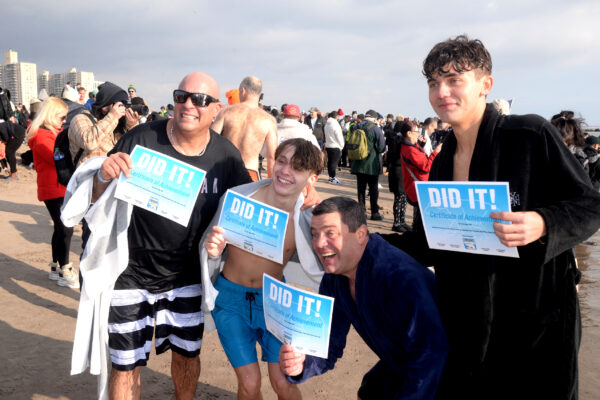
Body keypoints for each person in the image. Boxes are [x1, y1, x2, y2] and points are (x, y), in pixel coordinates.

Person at [384, 35, 600, 400]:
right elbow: (426, 243)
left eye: (454, 80)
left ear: (486, 85)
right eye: (434, 83)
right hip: (467, 321)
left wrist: (545, 222)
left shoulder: (529, 135)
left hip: (535, 319)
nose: (442, 92)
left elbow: (590, 204)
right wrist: (357, 239)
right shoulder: (441, 161)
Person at [63, 71, 254, 399]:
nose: (188, 105)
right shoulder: (141, 139)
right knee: (125, 364)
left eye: (199, 99)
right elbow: (94, 198)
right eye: (181, 96)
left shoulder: (225, 156)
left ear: (215, 109)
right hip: (130, 273)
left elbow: (245, 210)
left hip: (188, 277)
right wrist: (104, 176)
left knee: (186, 355)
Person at [279, 196, 448, 399]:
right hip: (400, 359)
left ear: (360, 234)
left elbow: (430, 354)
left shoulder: (399, 277)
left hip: (450, 369)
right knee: (369, 390)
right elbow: (327, 344)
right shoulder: (334, 276)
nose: (319, 244)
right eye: (314, 234)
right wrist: (302, 363)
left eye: (330, 233)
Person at [202, 138, 324, 400]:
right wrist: (213, 250)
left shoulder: (308, 217)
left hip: (275, 302)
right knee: (249, 382)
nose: (285, 171)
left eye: (298, 168)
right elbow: (210, 245)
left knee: (283, 381)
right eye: (281, 161)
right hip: (230, 300)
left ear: (311, 177)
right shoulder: (238, 199)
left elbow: (330, 260)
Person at [25, 97, 78, 288]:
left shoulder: (53, 133)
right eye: (61, 117)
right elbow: (57, 158)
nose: (64, 121)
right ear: (50, 115)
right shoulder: (42, 136)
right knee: (66, 227)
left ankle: (56, 267)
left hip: (58, 187)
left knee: (60, 227)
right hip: (53, 188)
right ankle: (65, 268)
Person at [211, 76, 278, 181]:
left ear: (243, 91)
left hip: (224, 168)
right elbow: (271, 157)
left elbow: (209, 140)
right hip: (250, 172)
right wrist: (271, 185)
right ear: (259, 94)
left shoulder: (226, 111)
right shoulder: (269, 120)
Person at [68, 81, 139, 167]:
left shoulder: (117, 124)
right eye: (118, 104)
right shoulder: (80, 118)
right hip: (88, 177)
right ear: (104, 107)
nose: (123, 108)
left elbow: (134, 149)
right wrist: (113, 116)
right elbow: (89, 142)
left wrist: (132, 126)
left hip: (113, 176)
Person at [400, 120, 442, 228]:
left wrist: (420, 144)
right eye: (416, 131)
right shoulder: (409, 149)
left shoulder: (410, 146)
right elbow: (426, 167)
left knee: (420, 216)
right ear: (409, 133)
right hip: (418, 188)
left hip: (417, 186)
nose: (418, 133)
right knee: (421, 220)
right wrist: (436, 151)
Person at [350, 109, 386, 221]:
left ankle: (362, 212)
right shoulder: (376, 129)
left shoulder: (355, 127)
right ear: (375, 119)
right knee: (373, 188)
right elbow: (381, 148)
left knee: (361, 188)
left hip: (358, 163)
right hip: (371, 165)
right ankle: (374, 213)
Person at [385, 120, 410, 232]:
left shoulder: (397, 139)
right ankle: (396, 223)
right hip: (397, 170)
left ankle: (402, 221)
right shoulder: (396, 140)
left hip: (400, 170)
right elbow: (395, 154)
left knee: (403, 197)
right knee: (399, 197)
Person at [324, 111, 344, 185]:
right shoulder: (335, 124)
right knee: (333, 163)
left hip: (329, 145)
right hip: (335, 146)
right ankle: (332, 178)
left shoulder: (327, 124)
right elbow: (339, 136)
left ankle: (331, 177)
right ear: (336, 117)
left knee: (330, 163)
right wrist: (342, 145)